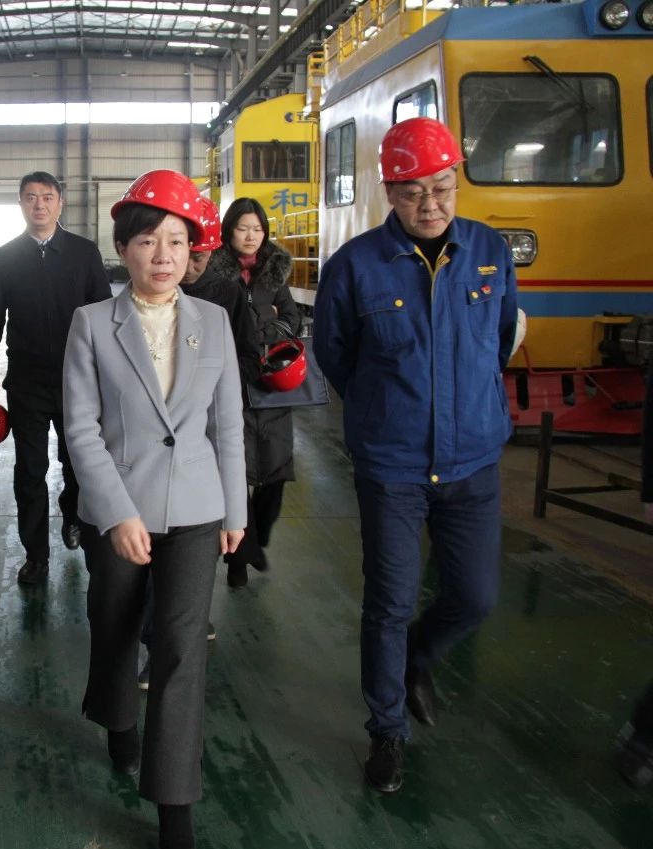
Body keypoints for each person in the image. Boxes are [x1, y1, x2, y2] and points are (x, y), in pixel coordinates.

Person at [313, 117, 519, 794]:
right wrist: (386, 409)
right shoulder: (355, 266)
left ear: (456, 181)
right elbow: (335, 354)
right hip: (393, 466)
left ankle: (417, 659)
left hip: (472, 462)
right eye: (412, 192)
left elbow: (500, 340)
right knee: (390, 603)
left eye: (442, 187)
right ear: (389, 193)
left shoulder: (489, 251)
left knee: (475, 596)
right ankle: (387, 731)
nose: (430, 204)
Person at [63, 169, 247, 849]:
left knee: (180, 648)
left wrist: (235, 508)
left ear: (192, 249)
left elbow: (228, 424)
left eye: (176, 241)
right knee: (113, 622)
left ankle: (175, 806)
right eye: (147, 241)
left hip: (197, 507)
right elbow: (81, 429)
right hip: (121, 505)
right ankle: (118, 720)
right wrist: (115, 513)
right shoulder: (92, 324)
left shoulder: (214, 323)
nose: (163, 255)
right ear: (124, 248)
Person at [136, 196, 260, 688]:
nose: (174, 262)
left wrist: (235, 512)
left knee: (185, 573)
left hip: (200, 456)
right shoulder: (128, 308)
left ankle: (175, 633)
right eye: (154, 243)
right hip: (145, 469)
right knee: (151, 571)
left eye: (189, 250)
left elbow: (243, 365)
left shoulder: (223, 299)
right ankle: (156, 639)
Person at [0, 171, 111, 585]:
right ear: (21, 204)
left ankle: (72, 514)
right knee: (30, 470)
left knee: (78, 463)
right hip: (27, 382)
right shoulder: (6, 255)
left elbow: (105, 313)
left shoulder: (84, 253)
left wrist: (107, 370)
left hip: (78, 381)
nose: (39, 204)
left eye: (47, 197)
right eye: (31, 197)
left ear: (60, 203)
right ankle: (36, 555)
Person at [209, 198, 298, 588]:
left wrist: (261, 327)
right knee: (236, 471)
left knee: (275, 471)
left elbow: (292, 317)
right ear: (229, 231)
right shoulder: (215, 273)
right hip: (232, 378)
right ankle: (238, 561)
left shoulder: (274, 271)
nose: (250, 236)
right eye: (243, 228)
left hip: (272, 382)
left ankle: (257, 538)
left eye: (257, 229)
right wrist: (265, 319)